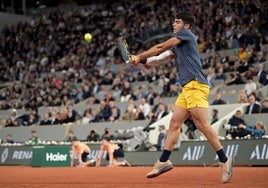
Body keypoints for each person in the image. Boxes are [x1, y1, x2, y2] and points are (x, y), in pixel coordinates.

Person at [130, 11, 233, 183]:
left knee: (201, 124)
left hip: (196, 85)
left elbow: (160, 47)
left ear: (185, 25)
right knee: (174, 123)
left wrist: (140, 55)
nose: (173, 24)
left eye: (177, 22)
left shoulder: (186, 35)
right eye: (174, 22)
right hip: (187, 89)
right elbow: (158, 58)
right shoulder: (178, 45)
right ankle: (164, 161)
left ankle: (225, 159)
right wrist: (140, 61)